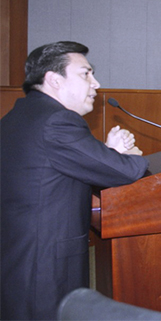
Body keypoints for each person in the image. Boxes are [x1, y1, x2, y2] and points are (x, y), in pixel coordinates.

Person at [1, 41, 149, 320]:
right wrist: (129, 156)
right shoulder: (57, 121)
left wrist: (107, 155)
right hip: (44, 265)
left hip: (20, 253)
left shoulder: (19, 116)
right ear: (54, 80)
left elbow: (62, 168)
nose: (96, 83)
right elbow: (126, 171)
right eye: (86, 74)